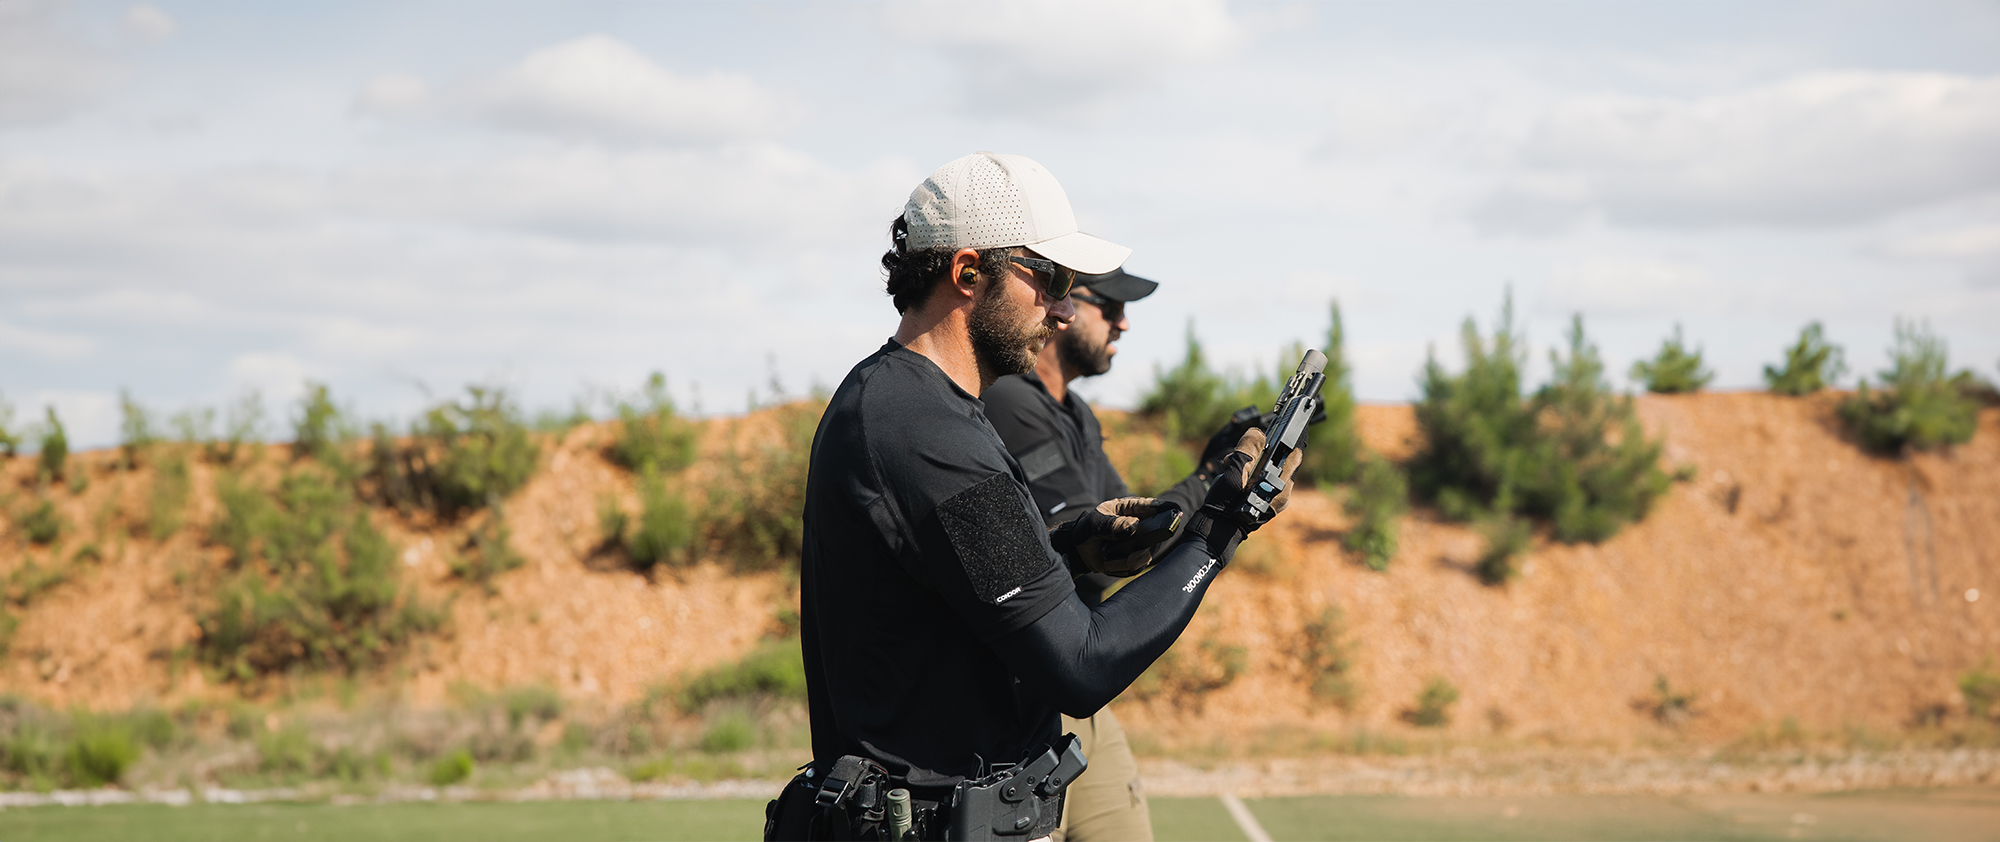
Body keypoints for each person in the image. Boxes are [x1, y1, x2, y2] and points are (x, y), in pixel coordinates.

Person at [770, 152, 1302, 841]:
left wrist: (1071, 547)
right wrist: (1219, 531)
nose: (1063, 308)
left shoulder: (917, 406)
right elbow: (1080, 665)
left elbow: (947, 588)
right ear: (967, 274)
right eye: (1051, 279)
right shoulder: (924, 426)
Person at [982, 269, 1262, 842]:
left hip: (1080, 686)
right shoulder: (1011, 399)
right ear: (1062, 304)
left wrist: (1210, 476)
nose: (1123, 322)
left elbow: (1147, 526)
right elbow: (1117, 541)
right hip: (1024, 686)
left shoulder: (1077, 415)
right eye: (1109, 307)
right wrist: (1212, 482)